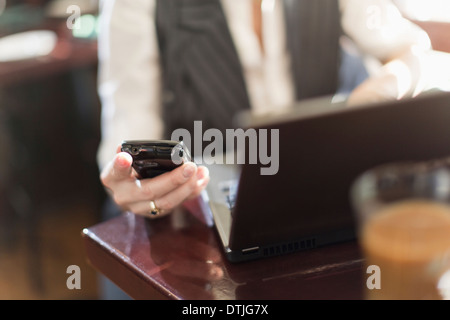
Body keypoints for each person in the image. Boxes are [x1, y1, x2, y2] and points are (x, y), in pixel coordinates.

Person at [97, 0, 444, 220]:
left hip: (313, 192)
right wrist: (142, 190)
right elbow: (129, 142)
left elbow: (411, 52)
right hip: (201, 213)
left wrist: (372, 100)